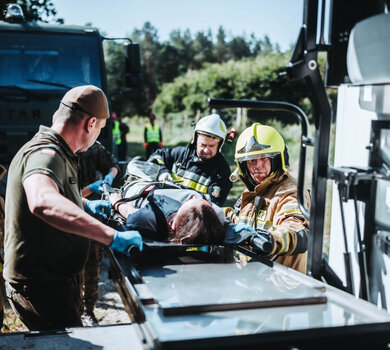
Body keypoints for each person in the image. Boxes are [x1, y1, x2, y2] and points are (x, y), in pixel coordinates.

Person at [3, 85, 142, 331]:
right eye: (100, 128)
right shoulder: (45, 153)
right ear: (90, 124)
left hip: (55, 283)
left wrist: (86, 204)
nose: (98, 134)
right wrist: (112, 236)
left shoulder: (64, 152)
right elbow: (42, 200)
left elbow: (58, 194)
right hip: (42, 289)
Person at [224, 123, 310, 274]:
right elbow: (240, 224)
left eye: (263, 158)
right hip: (253, 282)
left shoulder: (290, 192)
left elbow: (294, 228)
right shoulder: (254, 190)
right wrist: (213, 213)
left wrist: (271, 240)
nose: (257, 166)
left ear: (277, 159)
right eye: (251, 161)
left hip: (281, 287)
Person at [148, 113, 232, 206]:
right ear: (196, 141)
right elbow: (156, 155)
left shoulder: (222, 171)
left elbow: (213, 203)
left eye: (211, 146)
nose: (206, 150)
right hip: (164, 206)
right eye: (203, 145)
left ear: (220, 145)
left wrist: (180, 194)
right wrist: (162, 172)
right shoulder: (181, 154)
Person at [78, 141, 120, 326]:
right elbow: (62, 196)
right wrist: (89, 190)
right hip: (71, 217)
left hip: (95, 218)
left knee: (93, 268)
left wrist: (109, 176)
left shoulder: (94, 147)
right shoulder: (62, 151)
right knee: (72, 270)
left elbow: (113, 165)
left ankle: (88, 312)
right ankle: (73, 311)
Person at [108, 188, 226, 245]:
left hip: (139, 190)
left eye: (189, 201)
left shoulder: (148, 218)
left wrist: (117, 202)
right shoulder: (216, 217)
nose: (193, 197)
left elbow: (128, 211)